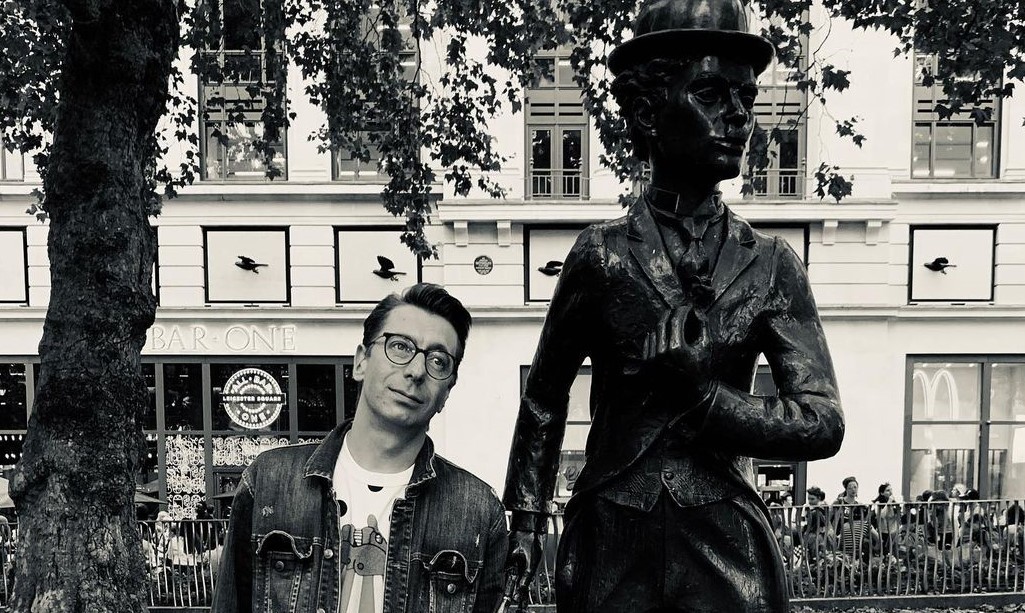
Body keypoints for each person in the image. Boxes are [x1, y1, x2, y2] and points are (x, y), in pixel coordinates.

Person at [499, 0, 844, 610]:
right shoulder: (601, 254)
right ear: (646, 113)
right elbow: (545, 396)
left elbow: (821, 421)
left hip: (726, 542)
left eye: (746, 98)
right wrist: (525, 521)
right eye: (711, 94)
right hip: (611, 535)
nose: (738, 116)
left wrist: (705, 397)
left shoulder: (772, 264)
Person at [213, 283, 508, 613]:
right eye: (400, 346)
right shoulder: (270, 482)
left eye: (438, 361)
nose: (415, 371)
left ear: (446, 393)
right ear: (361, 362)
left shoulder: (478, 513)